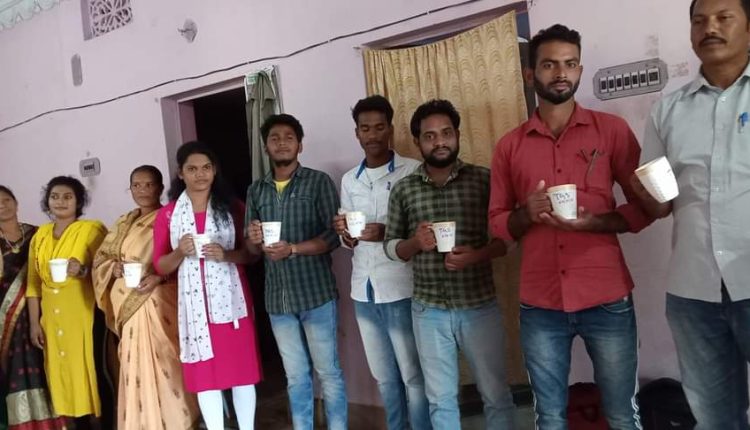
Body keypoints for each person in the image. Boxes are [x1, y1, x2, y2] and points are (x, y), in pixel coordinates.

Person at [488, 24, 651, 430]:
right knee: (549, 417)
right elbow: (497, 223)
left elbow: (645, 207)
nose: (561, 73)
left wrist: (597, 222)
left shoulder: (611, 131)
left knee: (621, 414)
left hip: (607, 296)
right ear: (530, 74)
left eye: (570, 64)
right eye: (549, 65)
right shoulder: (510, 146)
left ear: (579, 69)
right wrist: (526, 213)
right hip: (540, 303)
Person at [634, 0, 750, 427]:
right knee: (716, 419)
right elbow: (660, 205)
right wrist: (644, 193)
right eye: (699, 21)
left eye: (723, 18)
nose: (709, 28)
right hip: (693, 290)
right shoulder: (669, 110)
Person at [383, 99, 517, 430]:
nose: (439, 142)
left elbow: (509, 239)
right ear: (418, 142)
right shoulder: (404, 189)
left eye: (446, 133)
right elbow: (390, 247)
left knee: (496, 394)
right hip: (428, 310)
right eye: (429, 136)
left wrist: (477, 255)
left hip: (478, 305)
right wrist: (415, 243)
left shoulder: (483, 180)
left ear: (457, 135)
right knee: (440, 400)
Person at [333, 95, 430, 430]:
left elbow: (422, 229)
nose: (372, 135)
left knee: (412, 374)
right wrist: (345, 235)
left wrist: (385, 232)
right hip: (364, 289)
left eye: (378, 127)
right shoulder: (350, 180)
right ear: (357, 133)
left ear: (390, 129)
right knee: (384, 377)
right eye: (365, 129)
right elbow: (348, 237)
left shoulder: (412, 170)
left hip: (401, 286)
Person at [245, 114, 347, 430]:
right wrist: (254, 239)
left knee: (329, 373)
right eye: (274, 138)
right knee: (295, 377)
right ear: (265, 146)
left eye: (289, 137)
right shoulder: (256, 190)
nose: (282, 143)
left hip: (316, 294)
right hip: (278, 301)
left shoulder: (318, 182)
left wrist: (293, 249)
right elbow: (251, 251)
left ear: (300, 145)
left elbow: (333, 237)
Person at [153, 141, 262, 430]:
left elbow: (252, 256)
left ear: (215, 171)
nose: (200, 174)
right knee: (206, 378)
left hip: (232, 307)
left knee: (241, 374)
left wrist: (226, 255)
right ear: (181, 173)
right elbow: (160, 265)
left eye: (206, 168)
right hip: (194, 311)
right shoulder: (168, 215)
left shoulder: (233, 208)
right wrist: (180, 252)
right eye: (192, 169)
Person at [92, 165, 200, 429]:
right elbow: (101, 259)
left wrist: (158, 278)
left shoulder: (170, 217)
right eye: (136, 185)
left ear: (160, 188)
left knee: (167, 361)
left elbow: (186, 260)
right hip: (128, 306)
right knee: (134, 364)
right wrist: (113, 268)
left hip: (159, 302)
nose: (142, 190)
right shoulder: (123, 222)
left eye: (149, 184)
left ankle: (177, 421)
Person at [26, 176, 110, 429]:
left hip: (83, 314)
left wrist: (82, 270)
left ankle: (103, 423)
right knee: (63, 372)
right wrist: (34, 323)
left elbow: (106, 271)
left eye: (67, 197)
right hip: (52, 318)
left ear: (78, 202)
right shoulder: (40, 235)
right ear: (47, 201)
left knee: (90, 371)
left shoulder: (91, 230)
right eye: (54, 197)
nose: (60, 202)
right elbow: (33, 283)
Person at [0, 186, 66, 430]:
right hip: (7, 321)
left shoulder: (39, 235)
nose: (2, 205)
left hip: (42, 313)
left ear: (16, 203)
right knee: (16, 370)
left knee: (46, 365)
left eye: (6, 200)